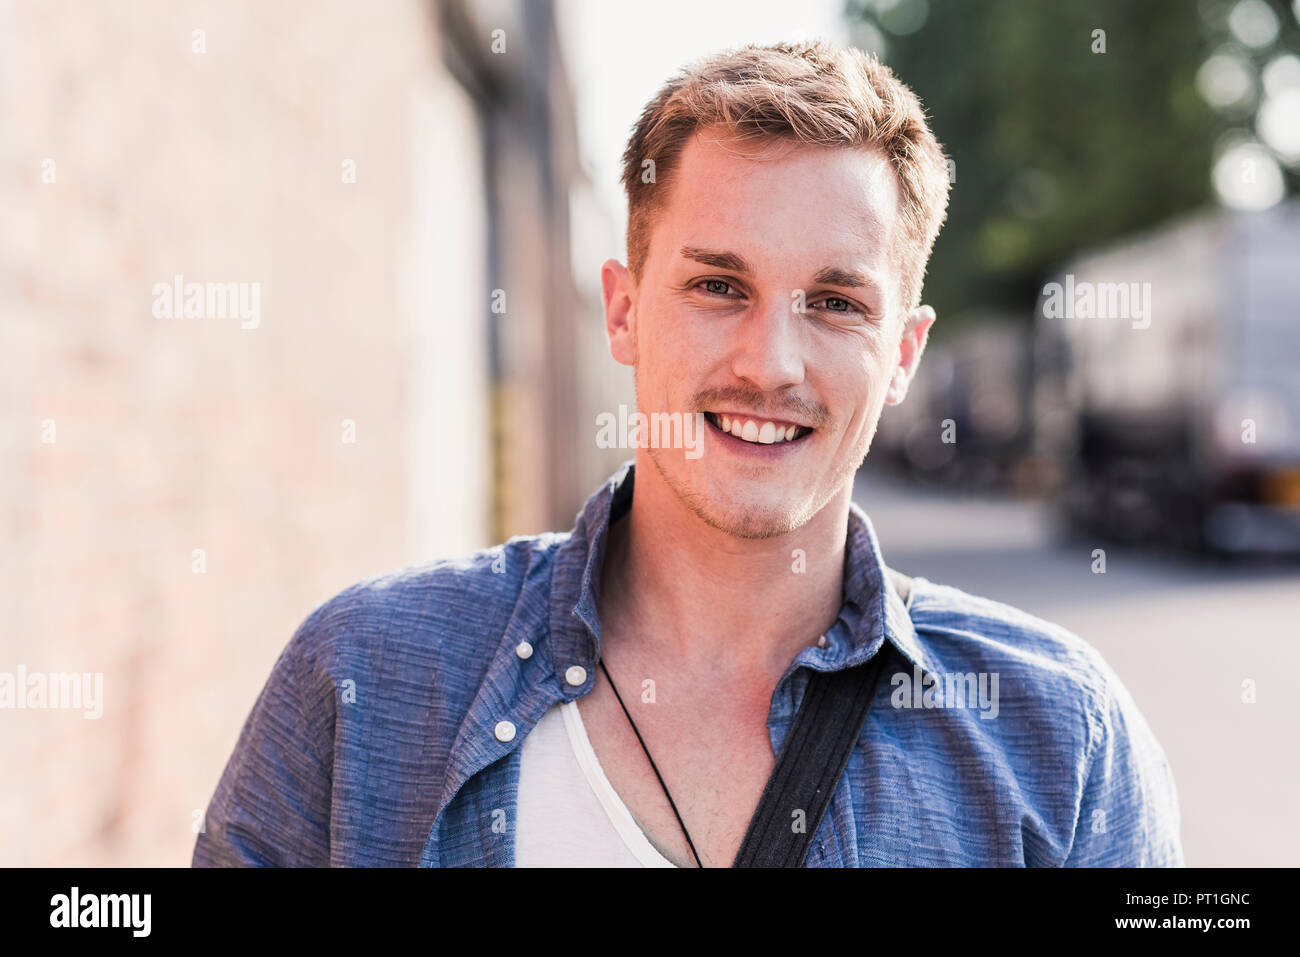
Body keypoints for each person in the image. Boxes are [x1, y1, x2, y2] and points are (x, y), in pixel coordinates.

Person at [193, 40, 1183, 867]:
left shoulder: (1060, 738)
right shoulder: (365, 680)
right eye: (718, 287)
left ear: (902, 356)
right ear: (624, 310)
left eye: (835, 304)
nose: (770, 364)